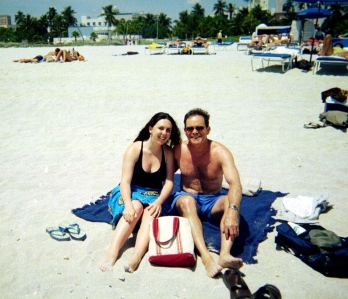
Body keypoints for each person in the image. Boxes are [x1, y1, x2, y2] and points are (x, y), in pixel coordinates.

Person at [166, 108, 243, 278]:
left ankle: (224, 255)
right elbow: (164, 174)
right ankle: (206, 258)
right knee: (187, 202)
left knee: (229, 203)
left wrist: (232, 211)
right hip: (186, 196)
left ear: (208, 129)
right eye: (190, 129)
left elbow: (235, 183)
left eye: (199, 128)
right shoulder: (179, 149)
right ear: (185, 131)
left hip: (213, 199)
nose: (195, 132)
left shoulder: (220, 152)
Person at [100, 112, 181, 273]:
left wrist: (159, 202)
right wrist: (128, 205)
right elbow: (125, 181)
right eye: (161, 128)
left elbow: (170, 181)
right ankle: (112, 252)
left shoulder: (168, 153)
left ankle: (136, 256)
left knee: (151, 211)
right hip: (130, 191)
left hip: (153, 194)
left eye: (168, 130)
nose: (164, 133)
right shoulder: (136, 148)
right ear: (151, 129)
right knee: (136, 207)